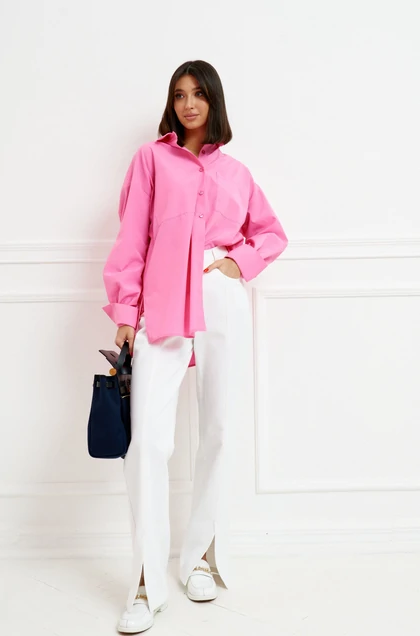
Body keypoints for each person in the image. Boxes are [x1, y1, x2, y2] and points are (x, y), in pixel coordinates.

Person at [102, 59, 288, 634]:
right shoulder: (151, 159)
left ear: (214, 101)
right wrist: (125, 311)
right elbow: (132, 238)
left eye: (198, 94)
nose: (188, 104)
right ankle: (145, 580)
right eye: (179, 94)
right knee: (147, 443)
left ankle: (202, 556)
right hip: (161, 299)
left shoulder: (236, 172)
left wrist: (236, 264)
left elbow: (271, 233)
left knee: (219, 429)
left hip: (220, 295)